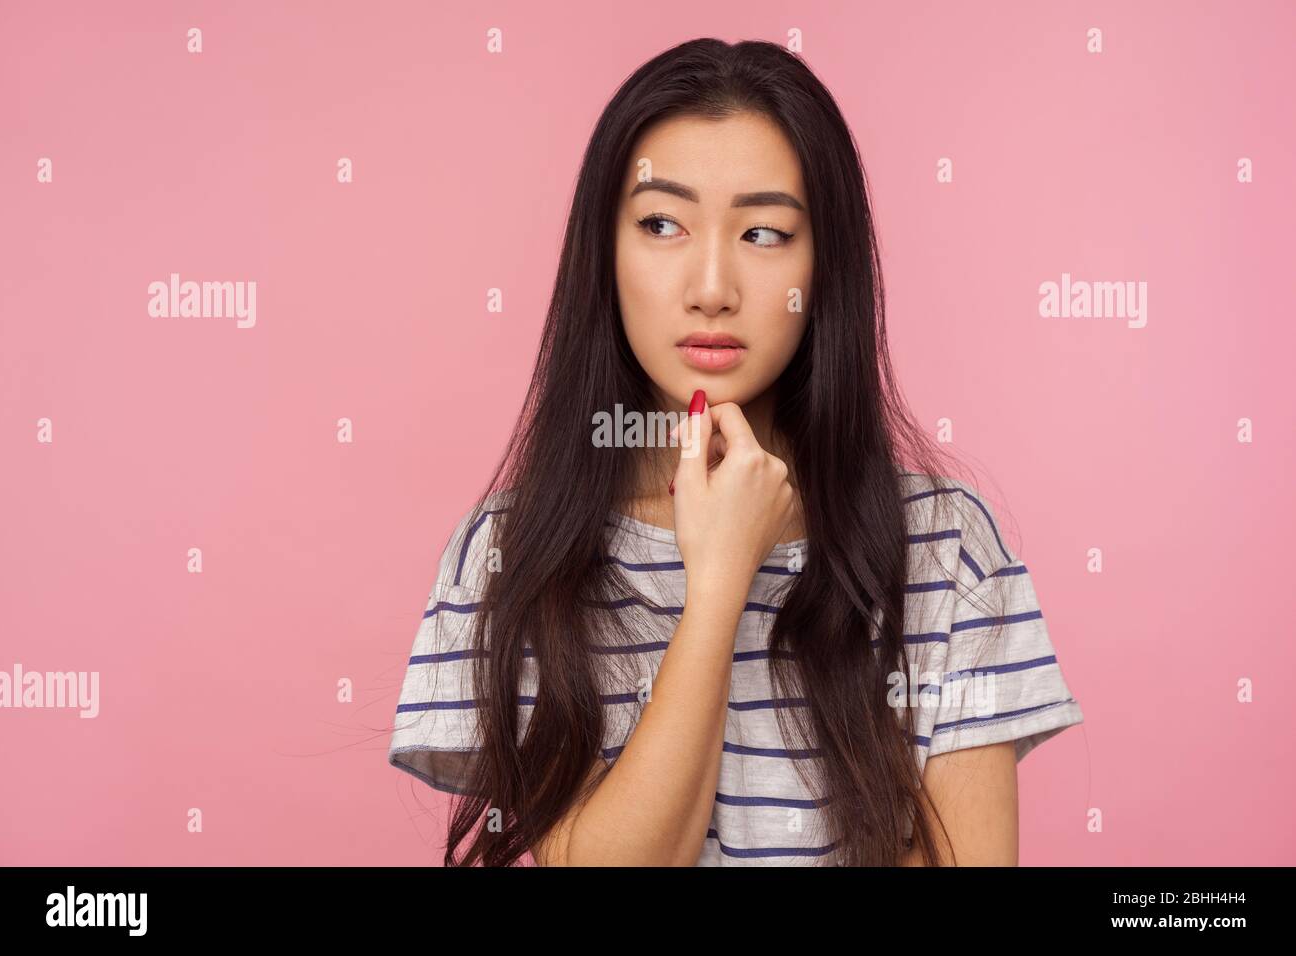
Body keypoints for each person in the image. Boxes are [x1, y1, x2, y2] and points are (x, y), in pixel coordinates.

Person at [388, 38, 1083, 867]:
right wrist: (718, 586)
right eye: (661, 224)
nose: (712, 286)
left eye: (762, 232)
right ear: (603, 257)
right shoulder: (512, 554)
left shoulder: (946, 548)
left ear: (824, 268)